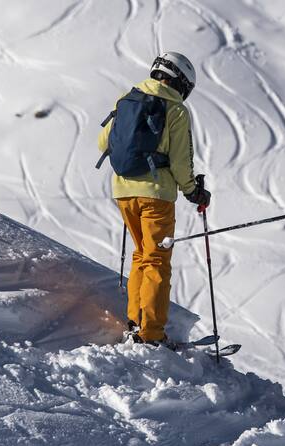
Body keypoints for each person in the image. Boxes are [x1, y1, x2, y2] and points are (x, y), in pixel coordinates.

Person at [97, 51, 210, 345]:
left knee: (141, 256)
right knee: (157, 261)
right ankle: (150, 334)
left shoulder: (127, 100)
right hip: (156, 195)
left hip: (124, 192)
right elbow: (181, 161)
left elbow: (102, 141)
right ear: (181, 82)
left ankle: (136, 322)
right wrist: (192, 190)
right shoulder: (175, 108)